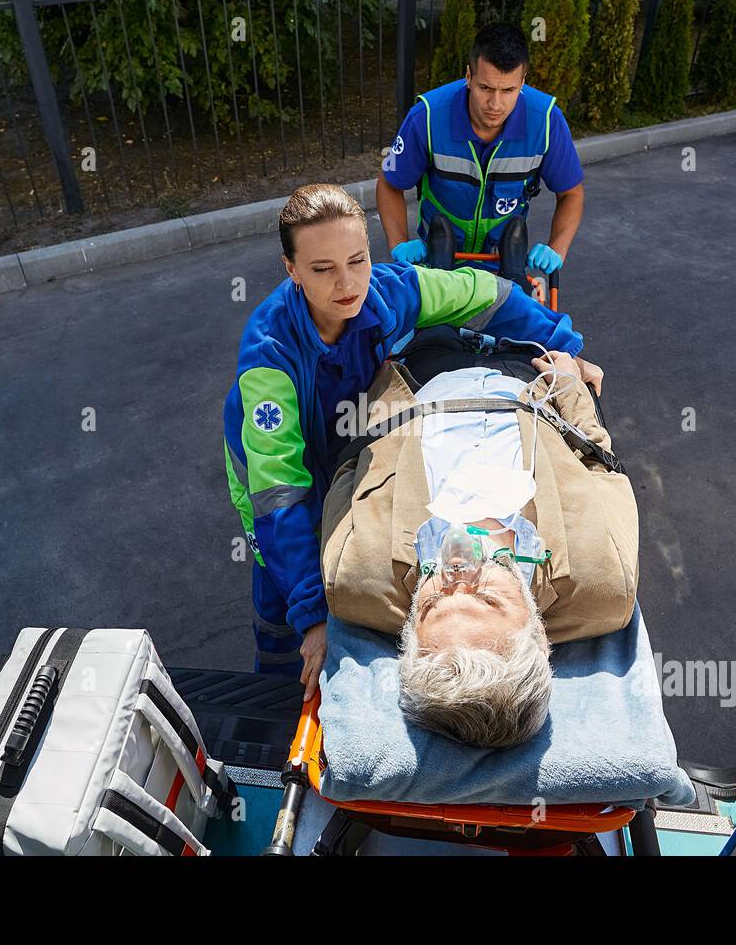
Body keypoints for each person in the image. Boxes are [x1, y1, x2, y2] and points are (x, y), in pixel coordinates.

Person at [224, 183, 585, 699]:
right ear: (292, 270)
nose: (348, 283)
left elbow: (486, 293)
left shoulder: (388, 292)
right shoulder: (269, 357)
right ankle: (278, 690)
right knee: (281, 600)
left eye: (357, 259)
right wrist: (312, 617)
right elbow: (280, 496)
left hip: (346, 435)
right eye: (323, 269)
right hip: (273, 475)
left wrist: (564, 344)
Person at [317, 335, 638, 749]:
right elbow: (601, 466)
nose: (460, 570)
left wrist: (382, 377)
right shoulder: (604, 579)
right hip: (529, 376)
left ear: (410, 631)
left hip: (423, 370)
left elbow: (349, 466)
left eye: (432, 602)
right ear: (538, 634)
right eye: (487, 597)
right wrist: (571, 383)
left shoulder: (353, 575)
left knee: (420, 287)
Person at [376, 22, 584, 278]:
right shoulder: (427, 117)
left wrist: (557, 248)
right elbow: (389, 183)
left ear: (522, 81)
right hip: (438, 257)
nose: (496, 104)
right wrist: (399, 243)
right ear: (468, 76)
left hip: (504, 261)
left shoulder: (547, 121)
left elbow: (571, 193)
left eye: (508, 90)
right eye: (485, 88)